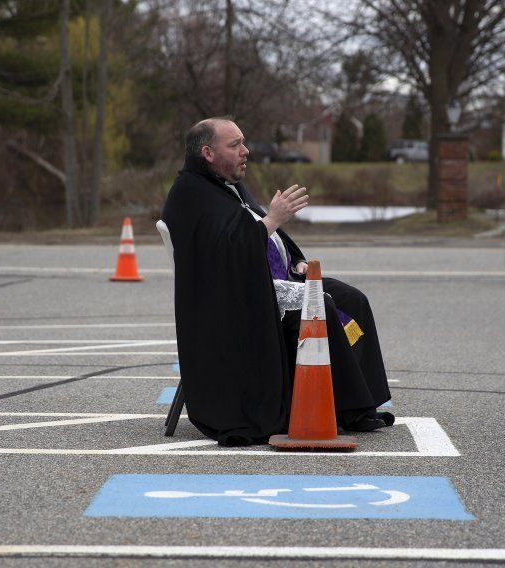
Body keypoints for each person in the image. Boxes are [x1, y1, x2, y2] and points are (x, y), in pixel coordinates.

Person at [161, 117, 392, 446]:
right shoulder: (190, 195)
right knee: (319, 304)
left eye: (243, 142)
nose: (246, 151)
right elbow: (224, 254)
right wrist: (273, 218)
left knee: (352, 299)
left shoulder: (230, 186)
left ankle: (356, 406)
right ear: (208, 153)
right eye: (235, 145)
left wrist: (295, 259)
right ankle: (334, 405)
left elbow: (262, 235)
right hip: (232, 297)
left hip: (271, 280)